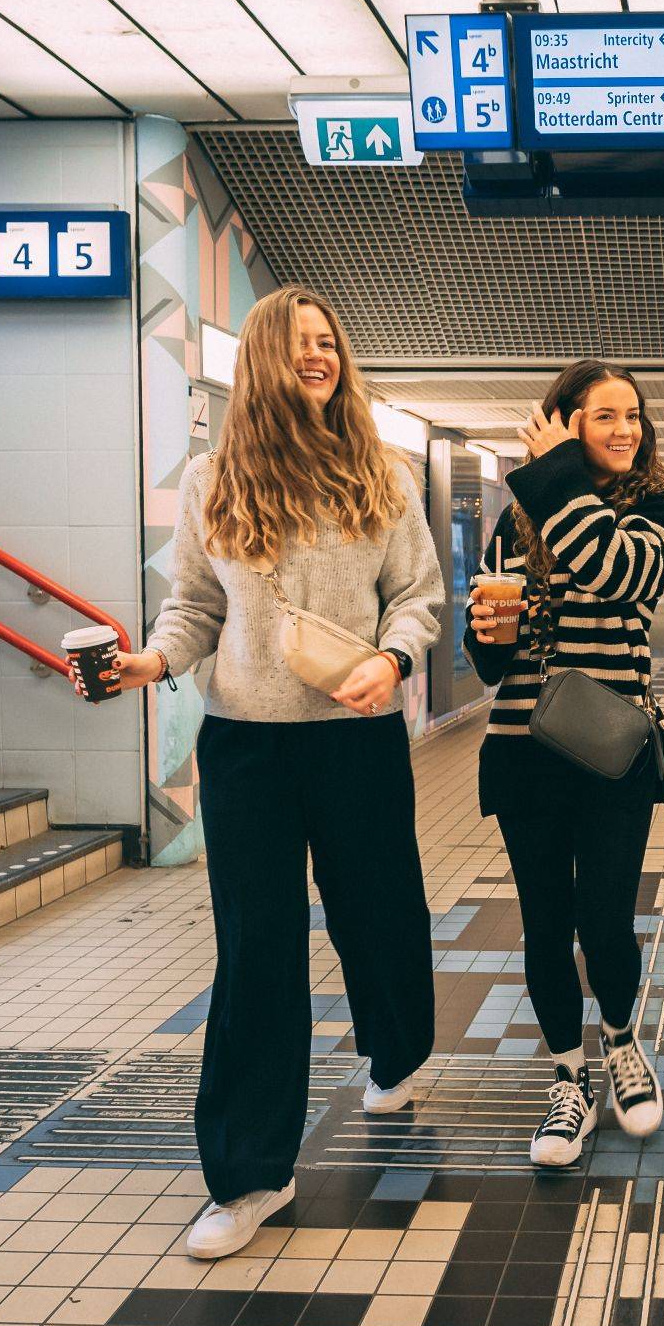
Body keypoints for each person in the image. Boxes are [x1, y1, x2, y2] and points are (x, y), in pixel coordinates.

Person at [75, 285, 444, 1260]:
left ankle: (399, 1051)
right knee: (256, 951)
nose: (317, 357)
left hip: (355, 734)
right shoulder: (212, 481)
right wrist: (153, 662)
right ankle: (248, 1175)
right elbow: (194, 606)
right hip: (244, 740)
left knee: (378, 911)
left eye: (329, 341)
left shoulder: (384, 474)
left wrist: (393, 659)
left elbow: (416, 595)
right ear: (262, 361)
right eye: (298, 344)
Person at [463, 361, 664, 1168]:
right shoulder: (514, 517)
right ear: (567, 422)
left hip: (609, 750)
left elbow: (617, 573)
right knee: (546, 927)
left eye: (634, 414)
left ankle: (624, 1044)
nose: (627, 428)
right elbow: (491, 653)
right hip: (524, 748)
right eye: (606, 416)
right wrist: (485, 634)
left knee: (605, 920)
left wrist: (553, 479)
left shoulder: (657, 512)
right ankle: (567, 1078)